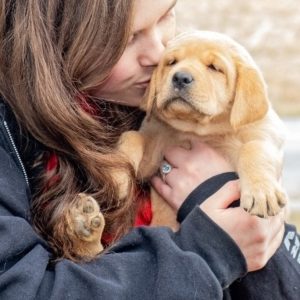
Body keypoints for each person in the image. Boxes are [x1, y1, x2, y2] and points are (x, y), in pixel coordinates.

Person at [0, 0, 299, 299]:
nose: (159, 55)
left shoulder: (148, 96)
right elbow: (25, 289)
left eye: (167, 15)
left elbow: (285, 282)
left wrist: (230, 189)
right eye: (129, 38)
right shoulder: (13, 140)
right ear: (59, 38)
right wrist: (206, 253)